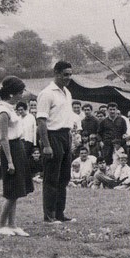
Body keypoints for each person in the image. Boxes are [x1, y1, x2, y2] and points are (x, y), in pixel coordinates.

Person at [36, 61, 77, 223]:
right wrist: (46, 145)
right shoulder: (47, 93)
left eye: (70, 74)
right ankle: (49, 215)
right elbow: (41, 121)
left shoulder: (67, 92)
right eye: (65, 74)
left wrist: (70, 138)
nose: (68, 78)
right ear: (56, 73)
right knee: (51, 177)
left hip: (65, 135)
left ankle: (60, 212)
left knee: (64, 177)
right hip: (52, 136)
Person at [0, 76, 33, 237]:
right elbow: (3, 138)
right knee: (12, 191)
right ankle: (1, 225)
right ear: (11, 94)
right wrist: (10, 161)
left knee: (17, 190)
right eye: (19, 92)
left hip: (18, 147)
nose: (21, 95)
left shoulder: (10, 108)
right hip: (10, 150)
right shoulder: (3, 111)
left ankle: (12, 224)